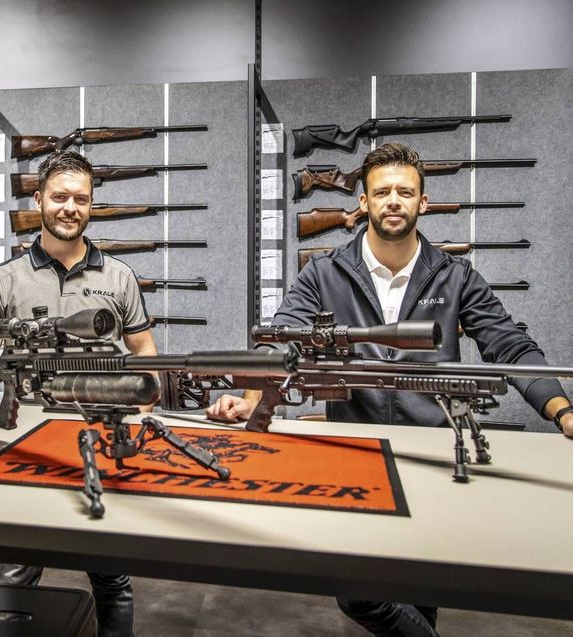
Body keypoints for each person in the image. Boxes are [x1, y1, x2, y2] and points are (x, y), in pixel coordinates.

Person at [207, 142, 573, 636]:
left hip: (436, 451)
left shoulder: (455, 275)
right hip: (355, 451)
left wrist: (562, 409)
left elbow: (508, 344)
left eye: (406, 192)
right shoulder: (323, 273)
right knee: (359, 591)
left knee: (423, 585)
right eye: (382, 192)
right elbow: (281, 342)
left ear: (423, 203)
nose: (394, 201)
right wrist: (247, 397)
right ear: (363, 203)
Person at [0, 149, 158, 637]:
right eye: (60, 197)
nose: (70, 207)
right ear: (39, 199)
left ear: (91, 206)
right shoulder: (6, 278)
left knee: (113, 578)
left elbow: (144, 348)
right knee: (15, 573)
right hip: (25, 438)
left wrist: (142, 409)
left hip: (100, 429)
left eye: (81, 199)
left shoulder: (119, 277)